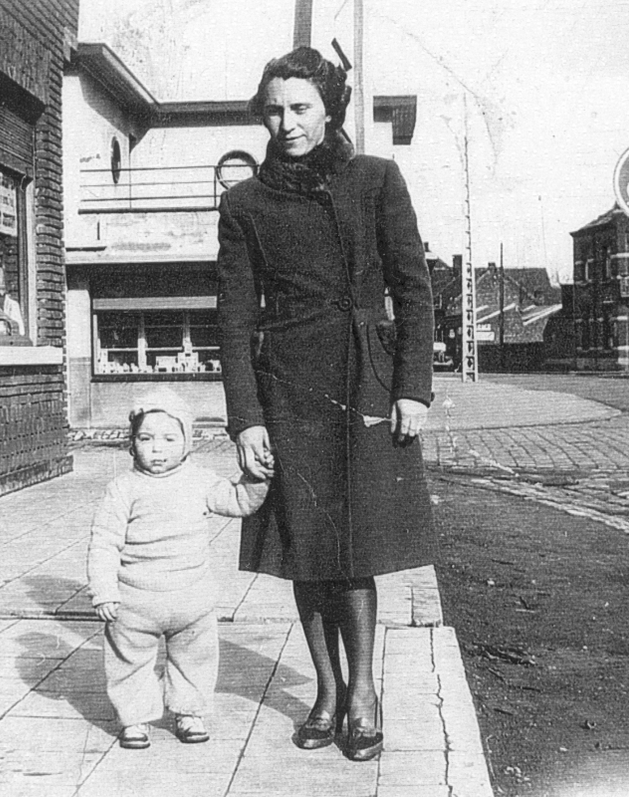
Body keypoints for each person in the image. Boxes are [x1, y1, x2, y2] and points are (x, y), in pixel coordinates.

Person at [216, 46, 436, 762]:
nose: (286, 123)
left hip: (364, 382)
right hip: (288, 387)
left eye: (301, 107)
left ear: (330, 108)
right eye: (274, 110)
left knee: (356, 545)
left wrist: (412, 385)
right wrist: (246, 417)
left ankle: (363, 691)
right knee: (305, 547)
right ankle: (327, 689)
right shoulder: (244, 204)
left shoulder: (375, 179)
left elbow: (414, 287)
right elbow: (233, 319)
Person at [87, 387, 270, 749]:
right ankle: (134, 718)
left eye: (169, 439)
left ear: (187, 444)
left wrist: (257, 479)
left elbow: (237, 501)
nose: (157, 448)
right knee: (129, 661)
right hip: (135, 601)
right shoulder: (122, 489)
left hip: (191, 599)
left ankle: (189, 711)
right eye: (146, 438)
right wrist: (104, 591)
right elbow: (104, 542)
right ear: (131, 444)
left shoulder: (199, 480)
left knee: (195, 658)